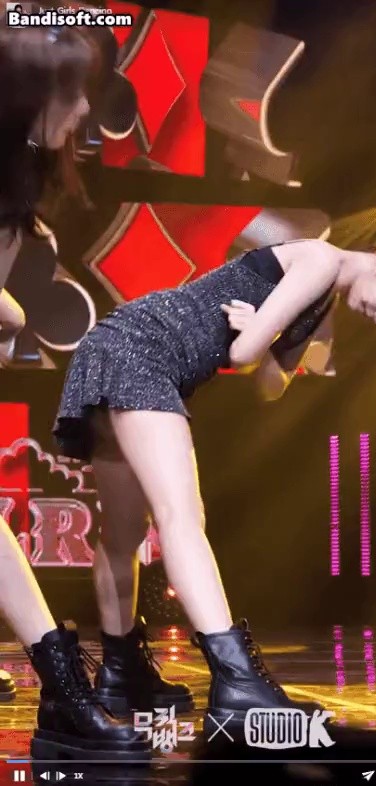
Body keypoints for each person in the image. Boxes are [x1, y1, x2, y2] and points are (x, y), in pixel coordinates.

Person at [53, 236, 376, 736]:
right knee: (182, 518)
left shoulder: (321, 299)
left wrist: (266, 334)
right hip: (143, 349)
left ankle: (121, 675)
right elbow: (242, 350)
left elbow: (268, 383)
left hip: (120, 345)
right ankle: (238, 684)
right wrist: (258, 333)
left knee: (124, 535)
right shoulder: (321, 260)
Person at [0, 22, 150, 760]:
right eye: (74, 92)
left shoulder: (18, 186)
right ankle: (63, 690)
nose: (88, 109)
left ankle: (62, 689)